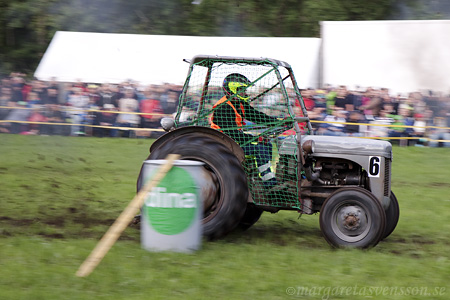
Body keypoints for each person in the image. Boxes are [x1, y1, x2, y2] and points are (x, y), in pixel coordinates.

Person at [210, 73, 288, 186]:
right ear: (233, 89)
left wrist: (279, 121)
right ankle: (268, 184)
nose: (245, 93)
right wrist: (256, 138)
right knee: (260, 149)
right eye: (242, 90)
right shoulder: (224, 107)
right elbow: (233, 135)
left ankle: (258, 176)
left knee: (267, 145)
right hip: (224, 145)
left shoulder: (239, 103)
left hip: (234, 142)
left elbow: (257, 116)